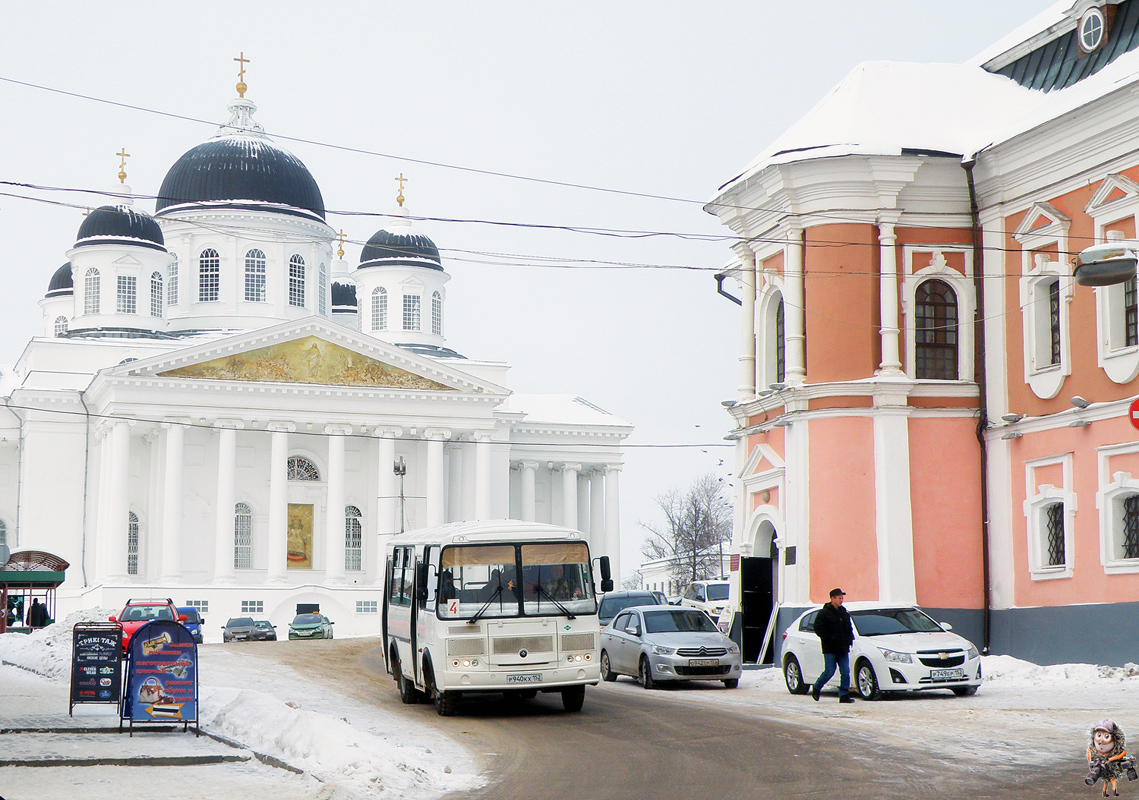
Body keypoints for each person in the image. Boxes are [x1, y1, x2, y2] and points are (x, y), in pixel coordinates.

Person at [810, 587, 856, 704]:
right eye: (839, 598)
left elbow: (848, 628)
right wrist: (829, 638)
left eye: (842, 598)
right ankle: (817, 686)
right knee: (829, 671)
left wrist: (849, 639)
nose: (841, 600)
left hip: (843, 648)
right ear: (832, 598)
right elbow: (818, 628)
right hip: (830, 648)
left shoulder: (844, 613)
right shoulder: (824, 613)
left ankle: (844, 695)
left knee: (845, 671)